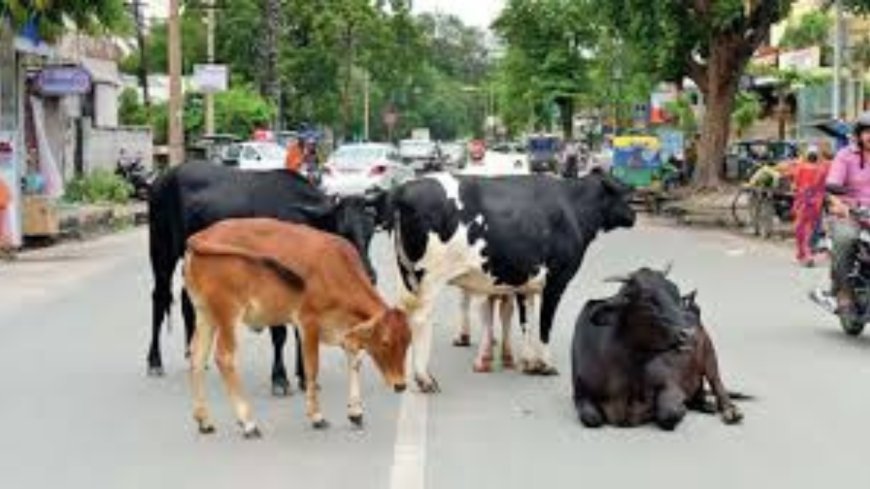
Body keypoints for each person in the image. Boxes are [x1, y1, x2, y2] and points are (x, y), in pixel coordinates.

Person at [823, 112, 870, 317]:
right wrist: (840, 205)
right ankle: (844, 292)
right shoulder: (845, 155)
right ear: (859, 134)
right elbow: (832, 187)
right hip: (851, 213)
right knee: (846, 239)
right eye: (868, 132)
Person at [784, 145, 829, 267]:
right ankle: (806, 254)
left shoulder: (800, 168)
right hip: (816, 205)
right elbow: (825, 187)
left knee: (801, 229)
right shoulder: (823, 170)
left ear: (807, 156)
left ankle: (805, 255)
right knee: (811, 229)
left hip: (802, 203)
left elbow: (794, 186)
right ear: (817, 157)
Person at [0, 177, 13, 260]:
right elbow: (9, 197)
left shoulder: (2, 184)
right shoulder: (3, 184)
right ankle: (7, 251)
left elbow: (8, 197)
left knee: (3, 232)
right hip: (4, 209)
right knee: (4, 231)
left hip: (2, 209)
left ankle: (6, 251)